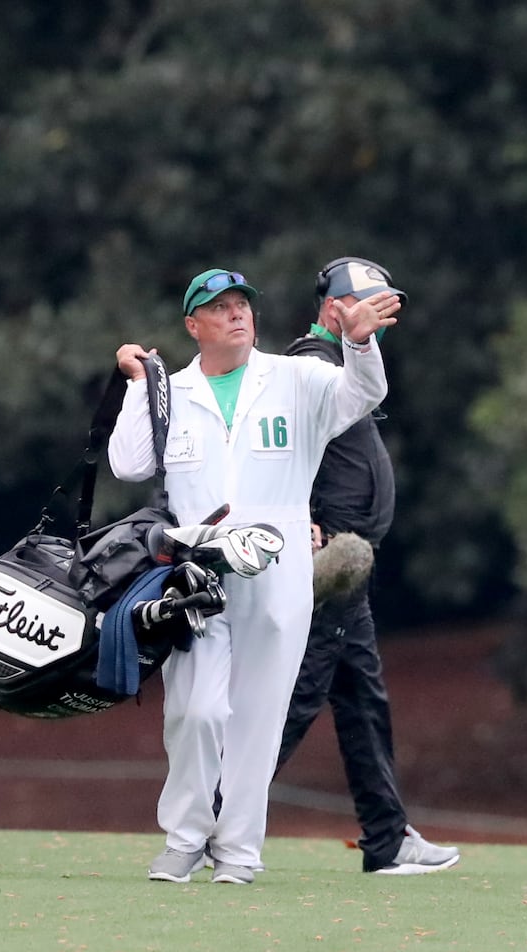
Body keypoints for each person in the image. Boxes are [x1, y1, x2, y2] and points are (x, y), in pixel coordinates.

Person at [109, 267, 394, 885]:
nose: (237, 314)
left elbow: (361, 395)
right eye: (220, 308)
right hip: (198, 567)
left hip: (280, 559)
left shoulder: (295, 377)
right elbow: (129, 463)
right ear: (194, 325)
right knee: (196, 709)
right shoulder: (173, 390)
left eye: (243, 305)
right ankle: (184, 836)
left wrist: (361, 343)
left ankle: (237, 850)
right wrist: (141, 384)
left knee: (259, 715)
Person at [273, 256, 460, 876]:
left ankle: (387, 838)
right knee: (299, 696)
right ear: (333, 310)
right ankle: (216, 818)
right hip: (329, 561)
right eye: (366, 305)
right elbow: (283, 458)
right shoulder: (308, 364)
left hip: (350, 563)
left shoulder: (345, 362)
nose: (380, 317)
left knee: (360, 698)